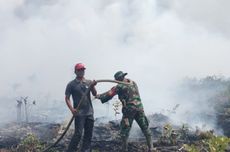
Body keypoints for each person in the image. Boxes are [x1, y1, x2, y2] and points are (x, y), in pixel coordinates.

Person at [96, 71, 155, 152]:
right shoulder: (133, 82)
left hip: (129, 111)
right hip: (139, 109)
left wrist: (99, 96)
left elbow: (109, 94)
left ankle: (124, 149)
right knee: (145, 127)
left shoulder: (120, 86)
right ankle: (151, 148)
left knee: (125, 131)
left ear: (117, 79)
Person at [65, 63, 97, 152]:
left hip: (89, 113)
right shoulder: (71, 84)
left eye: (83, 70)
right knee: (78, 134)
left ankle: (85, 150)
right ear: (75, 72)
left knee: (88, 134)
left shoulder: (89, 82)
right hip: (79, 114)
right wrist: (72, 109)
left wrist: (93, 86)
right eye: (79, 70)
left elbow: (94, 94)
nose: (82, 71)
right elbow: (67, 98)